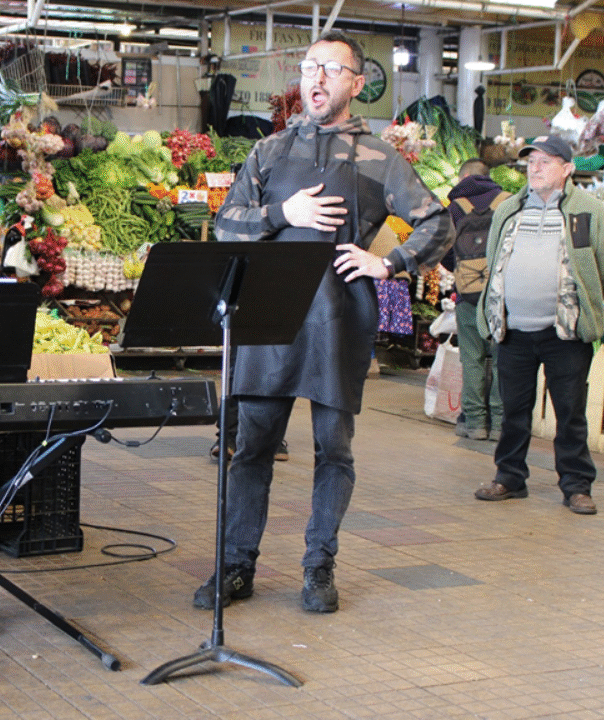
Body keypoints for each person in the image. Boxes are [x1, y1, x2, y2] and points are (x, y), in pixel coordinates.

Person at [196, 31, 452, 614]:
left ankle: (318, 567)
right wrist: (283, 212)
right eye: (310, 66)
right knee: (253, 449)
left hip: (337, 322)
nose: (316, 77)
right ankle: (235, 566)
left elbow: (438, 223)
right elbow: (227, 224)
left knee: (333, 450)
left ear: (355, 84)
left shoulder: (379, 158)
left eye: (331, 69)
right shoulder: (269, 151)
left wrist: (388, 262)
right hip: (268, 322)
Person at [474, 135, 604, 515]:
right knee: (513, 410)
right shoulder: (509, 209)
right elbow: (493, 257)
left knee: (570, 413)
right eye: (531, 161)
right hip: (513, 331)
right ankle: (509, 477)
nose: (534, 168)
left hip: (565, 334)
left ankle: (576, 485)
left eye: (545, 161)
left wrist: (582, 304)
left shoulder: (588, 210)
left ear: (567, 169)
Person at [447, 159, 510, 441]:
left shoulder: (456, 207)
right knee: (500, 359)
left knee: (471, 359)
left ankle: (474, 423)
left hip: (467, 293)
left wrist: (462, 272)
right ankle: (498, 424)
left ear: (465, 177)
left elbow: (444, 250)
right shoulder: (509, 203)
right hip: (503, 294)